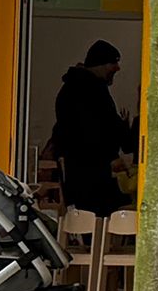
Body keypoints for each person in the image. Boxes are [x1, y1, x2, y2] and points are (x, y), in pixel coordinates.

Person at [52, 40, 129, 215]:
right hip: (92, 173)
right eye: (114, 63)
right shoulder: (92, 90)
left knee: (85, 218)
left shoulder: (70, 88)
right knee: (105, 214)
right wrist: (112, 156)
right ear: (101, 63)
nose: (117, 68)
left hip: (76, 172)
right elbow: (97, 128)